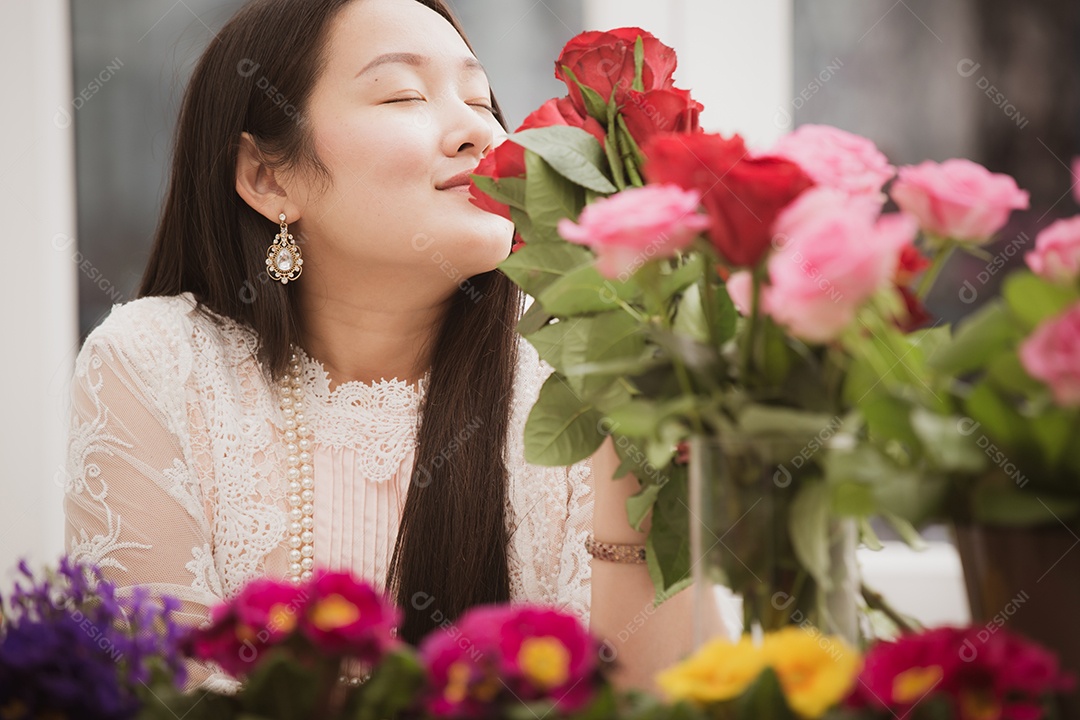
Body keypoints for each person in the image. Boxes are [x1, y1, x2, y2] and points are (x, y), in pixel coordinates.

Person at [64, 0, 713, 694]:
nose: (478, 131)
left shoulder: (578, 381)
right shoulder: (162, 364)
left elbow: (668, 700)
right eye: (404, 94)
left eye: (479, 98)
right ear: (266, 177)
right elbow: (157, 699)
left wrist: (642, 440)